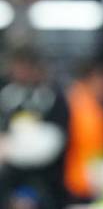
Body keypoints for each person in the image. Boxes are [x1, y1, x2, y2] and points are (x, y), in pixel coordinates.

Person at [0, 45, 70, 209]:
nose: (21, 73)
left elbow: (52, 142)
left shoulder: (52, 97)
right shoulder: (6, 94)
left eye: (26, 67)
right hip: (9, 179)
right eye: (17, 67)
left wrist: (11, 146)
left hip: (46, 180)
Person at [64, 61, 103, 203]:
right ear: (94, 79)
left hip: (70, 183)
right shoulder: (90, 112)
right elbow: (95, 154)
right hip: (80, 185)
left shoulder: (69, 100)